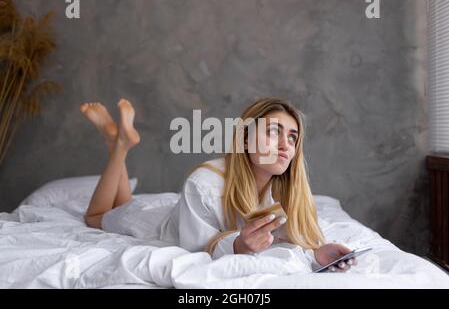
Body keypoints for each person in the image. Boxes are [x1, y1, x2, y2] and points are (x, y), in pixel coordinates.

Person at [81, 98, 357, 272]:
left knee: (125, 202)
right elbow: (195, 248)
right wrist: (237, 246)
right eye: (273, 132)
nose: (286, 145)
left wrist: (317, 252)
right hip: (161, 225)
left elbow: (295, 236)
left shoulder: (290, 190)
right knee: (97, 217)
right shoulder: (203, 183)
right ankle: (118, 146)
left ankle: (116, 141)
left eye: (293, 137)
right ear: (245, 140)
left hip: (179, 212)